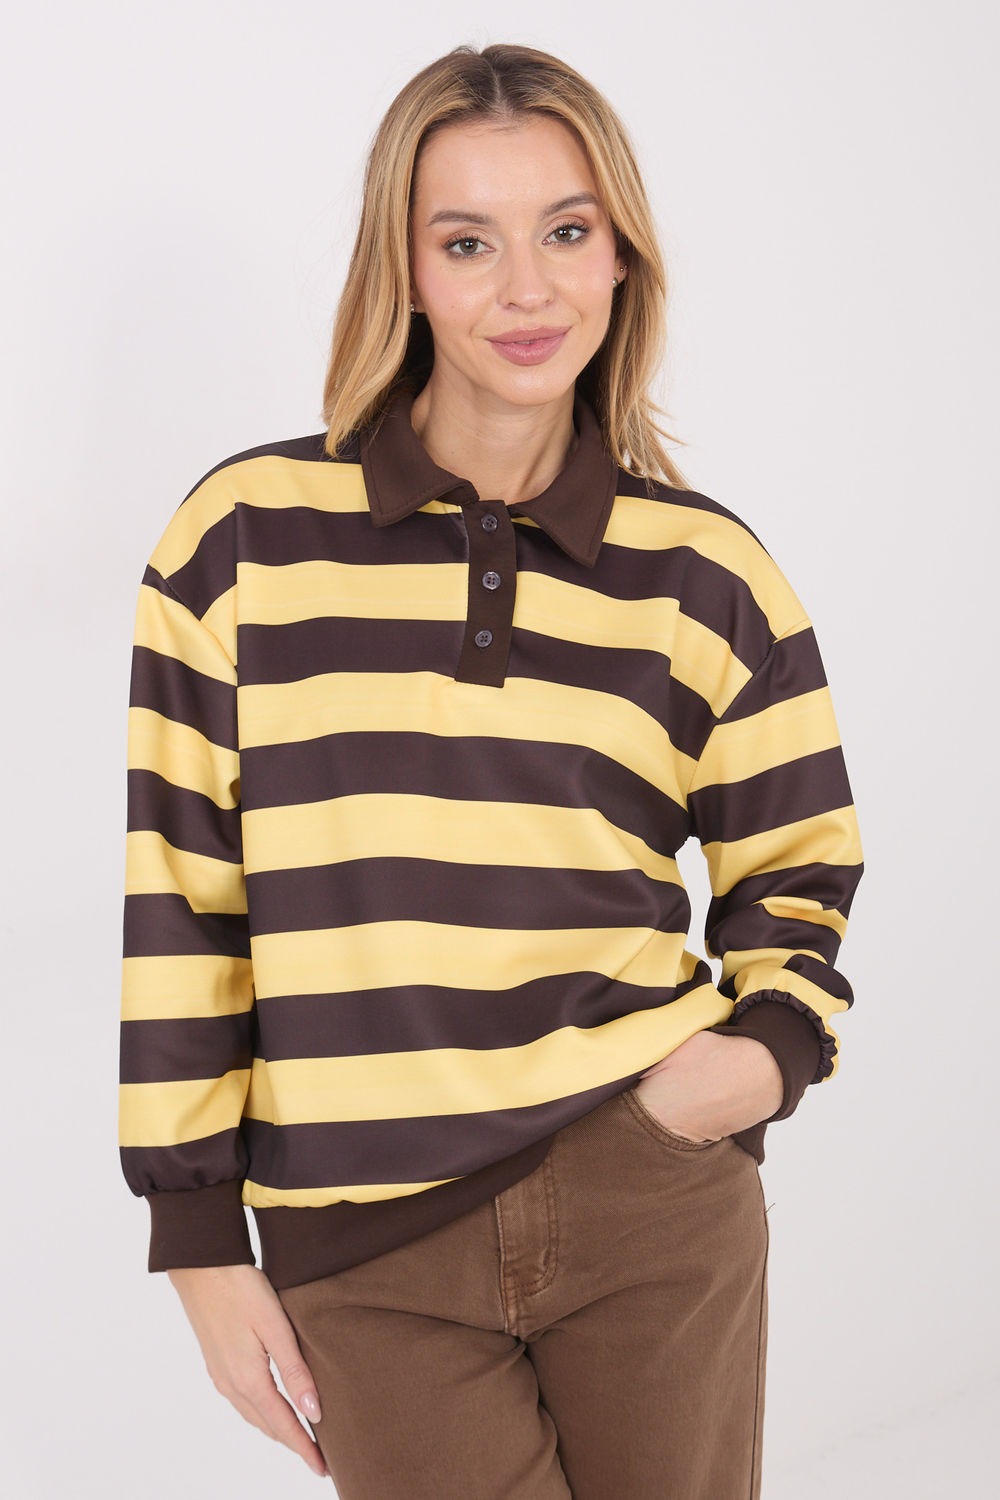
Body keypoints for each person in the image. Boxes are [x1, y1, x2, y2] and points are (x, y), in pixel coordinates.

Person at [118, 40, 864, 1499]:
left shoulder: (706, 573)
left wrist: (748, 1068)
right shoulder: (241, 542)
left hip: (652, 1195)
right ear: (402, 270)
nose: (528, 289)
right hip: (365, 1240)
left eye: (566, 232)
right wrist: (197, 1241)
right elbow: (185, 902)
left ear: (622, 256)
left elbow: (802, 865)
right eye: (469, 243)